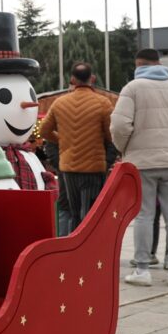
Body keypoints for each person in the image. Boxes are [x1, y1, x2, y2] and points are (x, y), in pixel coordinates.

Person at [111, 48, 168, 287]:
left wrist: (126, 150)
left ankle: (142, 269)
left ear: (138, 65)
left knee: (144, 214)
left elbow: (120, 126)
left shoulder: (132, 88)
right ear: (159, 63)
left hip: (142, 162)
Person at [39, 62, 113, 233]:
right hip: (94, 168)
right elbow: (111, 137)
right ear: (92, 79)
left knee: (73, 213)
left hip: (69, 167)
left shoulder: (59, 103)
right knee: (90, 215)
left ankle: (71, 251)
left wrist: (62, 140)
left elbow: (44, 130)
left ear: (72, 79)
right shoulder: (103, 103)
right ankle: (89, 252)